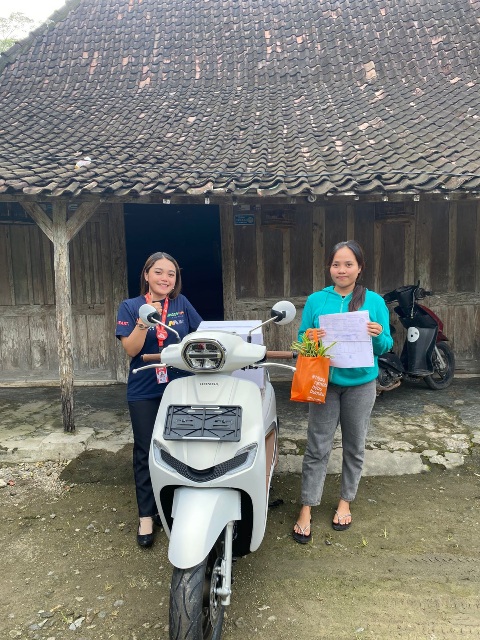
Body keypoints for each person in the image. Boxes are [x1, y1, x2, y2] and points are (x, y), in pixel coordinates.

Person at [292, 240, 393, 544]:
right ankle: (307, 506)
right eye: (336, 264)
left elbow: (386, 345)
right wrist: (309, 337)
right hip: (324, 383)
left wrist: (377, 335)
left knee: (354, 446)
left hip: (361, 385)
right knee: (317, 447)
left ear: (359, 268)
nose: (342, 270)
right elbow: (302, 340)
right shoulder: (316, 301)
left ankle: (345, 501)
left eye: (349, 264)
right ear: (329, 268)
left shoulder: (373, 301)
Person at [116, 251, 202, 548]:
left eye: (171, 274)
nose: (165, 278)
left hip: (180, 386)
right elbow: (131, 350)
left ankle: (179, 508)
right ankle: (146, 515)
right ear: (146, 274)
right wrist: (143, 321)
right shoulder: (130, 307)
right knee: (145, 450)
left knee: (181, 446)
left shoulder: (181, 304)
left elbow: (199, 335)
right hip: (144, 389)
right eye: (159, 272)